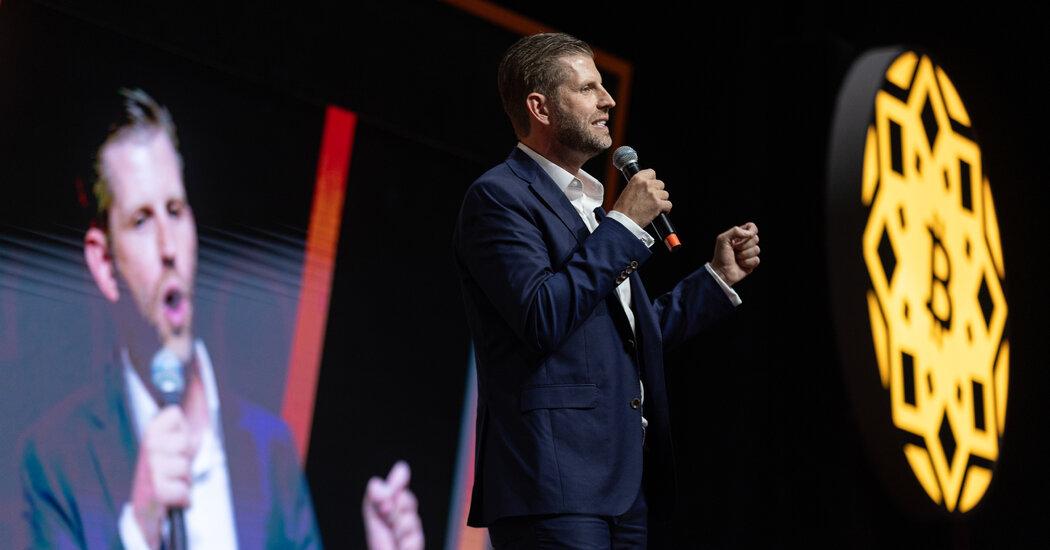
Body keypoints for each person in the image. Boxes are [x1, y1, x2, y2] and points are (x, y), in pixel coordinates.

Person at [19, 89, 422, 550]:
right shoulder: (56, 461)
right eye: (142, 221)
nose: (169, 247)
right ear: (104, 263)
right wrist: (140, 527)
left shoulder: (270, 450)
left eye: (175, 211)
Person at [453, 33, 761, 547]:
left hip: (621, 487)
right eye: (587, 89)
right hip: (553, 484)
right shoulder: (498, 198)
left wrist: (716, 278)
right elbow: (542, 316)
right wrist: (622, 225)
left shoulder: (588, 207)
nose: (609, 100)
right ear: (540, 107)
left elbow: (626, 337)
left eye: (603, 87)